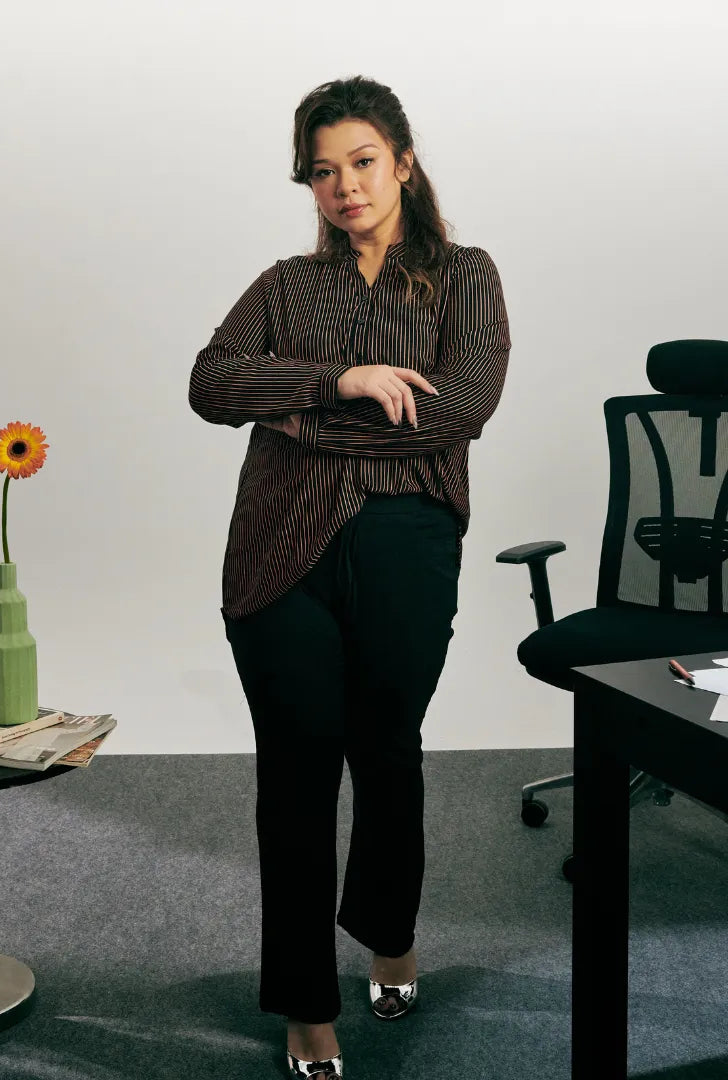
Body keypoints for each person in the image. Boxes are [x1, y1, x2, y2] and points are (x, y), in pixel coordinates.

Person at [189, 74, 511, 1080]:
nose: (344, 186)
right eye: (322, 172)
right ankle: (303, 1006)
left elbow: (459, 405)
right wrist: (340, 380)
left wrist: (291, 415)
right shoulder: (285, 285)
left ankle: (389, 934)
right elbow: (210, 381)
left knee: (387, 752)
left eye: (361, 162)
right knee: (293, 777)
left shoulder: (463, 275)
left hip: (407, 549)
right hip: (279, 555)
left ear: (402, 163)